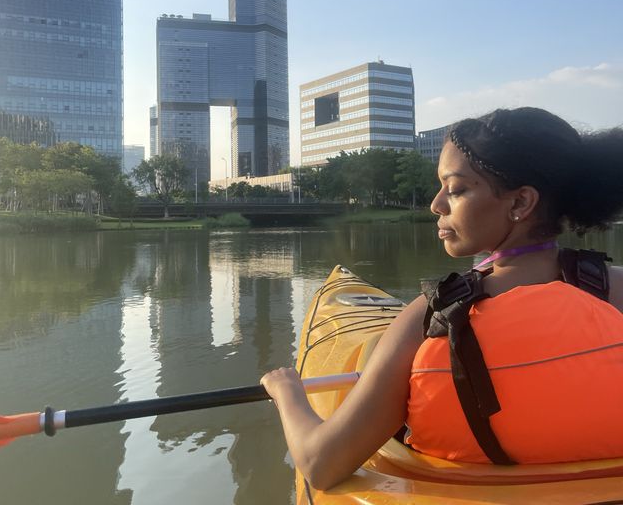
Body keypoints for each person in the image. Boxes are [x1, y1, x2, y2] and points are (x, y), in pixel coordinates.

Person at [261, 107, 623, 490]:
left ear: (520, 203)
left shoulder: (432, 315)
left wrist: (287, 391)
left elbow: (321, 463)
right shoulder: (616, 289)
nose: (436, 204)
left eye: (456, 189)